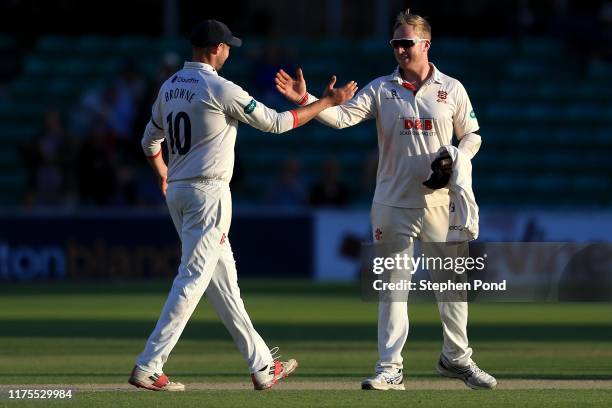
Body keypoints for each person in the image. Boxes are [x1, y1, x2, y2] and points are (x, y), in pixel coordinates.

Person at [130, 19, 357, 392]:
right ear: (215, 49)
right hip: (209, 195)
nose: (230, 52)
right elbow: (278, 124)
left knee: (224, 287)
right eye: (227, 46)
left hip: (180, 194)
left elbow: (148, 142)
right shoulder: (219, 87)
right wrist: (326, 103)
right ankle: (149, 365)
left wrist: (161, 172)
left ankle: (263, 365)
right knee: (192, 279)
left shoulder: (169, 88)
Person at [275, 10, 496, 390]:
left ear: (426, 45)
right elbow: (343, 118)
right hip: (392, 204)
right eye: (395, 43)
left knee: (451, 287)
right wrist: (309, 100)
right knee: (394, 287)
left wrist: (459, 157)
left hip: (441, 203)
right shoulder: (382, 89)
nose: (400, 49)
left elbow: (472, 134)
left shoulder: (452, 88)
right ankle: (390, 367)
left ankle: (457, 359)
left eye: (407, 43)